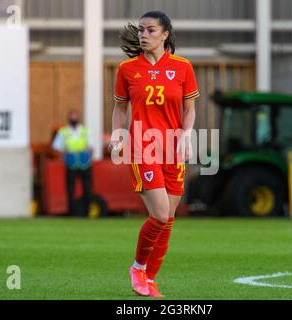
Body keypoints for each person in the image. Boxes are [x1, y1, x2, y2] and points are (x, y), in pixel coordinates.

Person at [109, 11, 199, 297]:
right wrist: (117, 136)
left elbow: (190, 109)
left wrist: (186, 135)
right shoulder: (127, 69)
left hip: (173, 148)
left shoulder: (183, 67)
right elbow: (120, 108)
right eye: (141, 30)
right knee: (159, 214)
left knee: (169, 219)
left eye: (150, 30)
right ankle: (137, 267)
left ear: (165, 34)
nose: (143, 35)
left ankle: (148, 279)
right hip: (142, 147)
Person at [53, 110, 93, 217]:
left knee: (87, 189)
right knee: (71, 189)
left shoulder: (85, 131)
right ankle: (72, 212)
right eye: (72, 116)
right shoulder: (64, 132)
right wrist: (65, 158)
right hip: (71, 162)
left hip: (84, 162)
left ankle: (86, 212)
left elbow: (90, 147)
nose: (74, 118)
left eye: (75, 116)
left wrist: (89, 158)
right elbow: (57, 147)